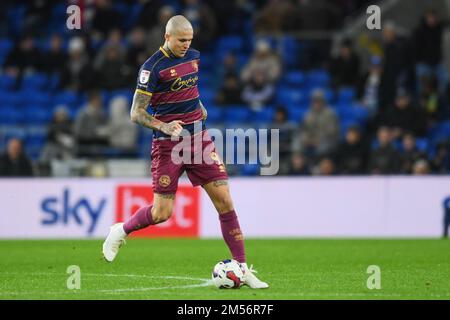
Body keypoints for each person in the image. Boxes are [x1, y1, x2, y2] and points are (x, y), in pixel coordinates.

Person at [102, 15, 268, 289]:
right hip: (168, 146)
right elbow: (136, 113)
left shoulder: (193, 57)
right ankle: (120, 230)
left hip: (199, 140)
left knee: (225, 201)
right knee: (162, 213)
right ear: (167, 37)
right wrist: (164, 126)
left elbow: (189, 86)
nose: (185, 45)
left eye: (189, 40)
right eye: (181, 40)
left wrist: (198, 106)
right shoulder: (151, 68)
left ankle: (240, 267)